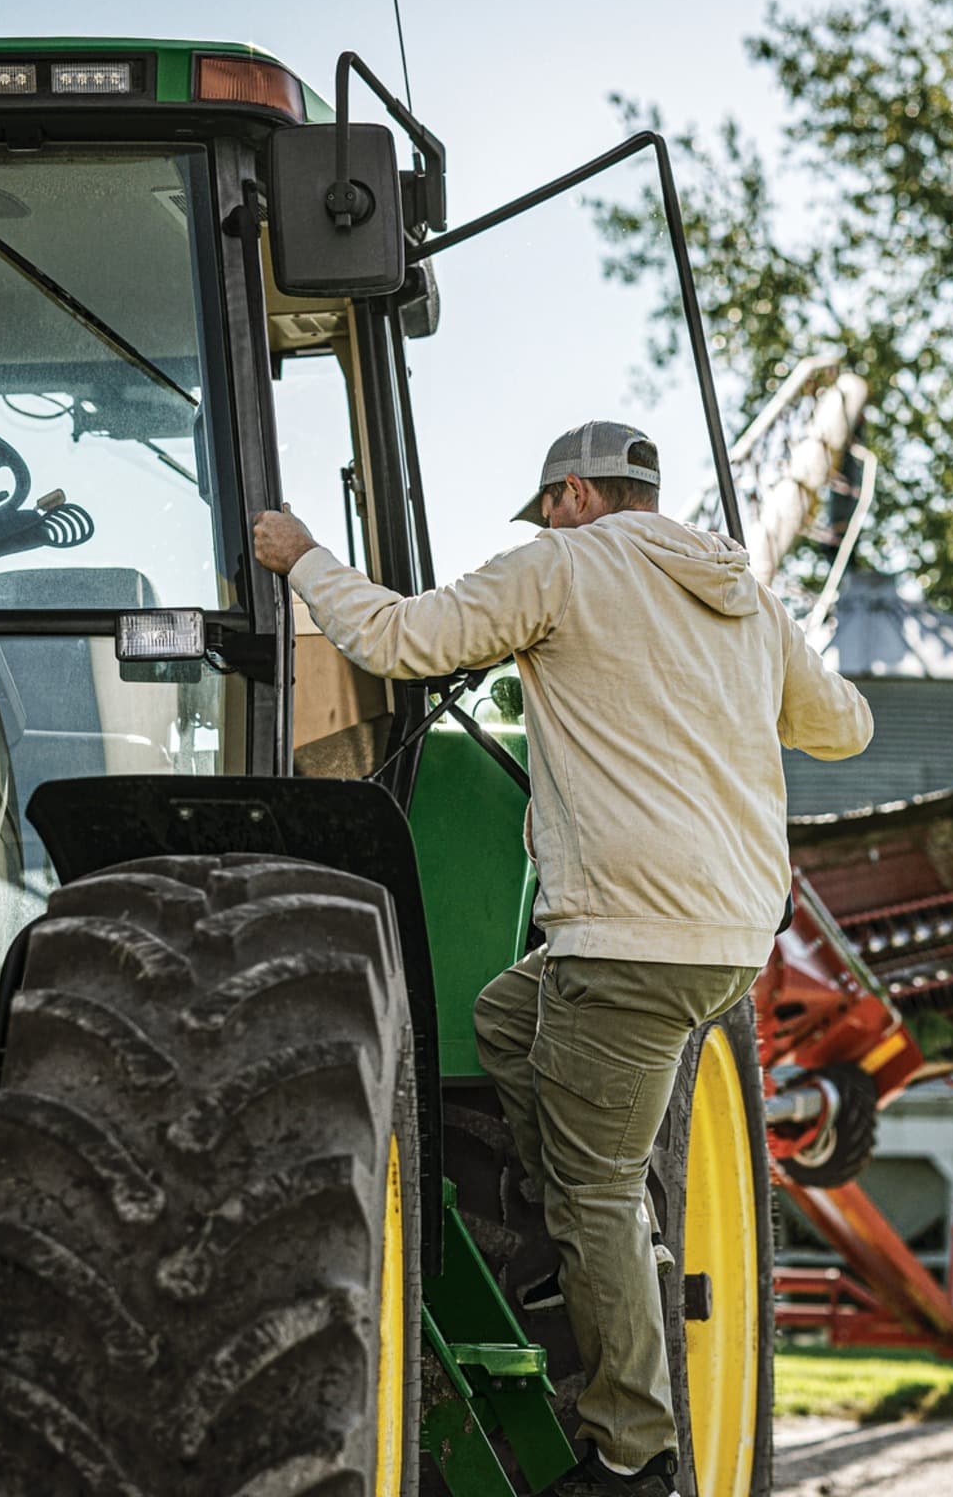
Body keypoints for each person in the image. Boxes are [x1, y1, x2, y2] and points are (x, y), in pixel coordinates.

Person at [252, 420, 873, 1496]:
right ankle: (593, 1254)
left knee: (598, 1196)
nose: (544, 521)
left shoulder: (561, 567)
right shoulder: (746, 599)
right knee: (503, 1015)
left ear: (577, 494)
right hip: (728, 940)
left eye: (548, 504)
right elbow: (846, 729)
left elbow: (400, 642)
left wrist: (301, 554)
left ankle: (635, 1453)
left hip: (629, 940)